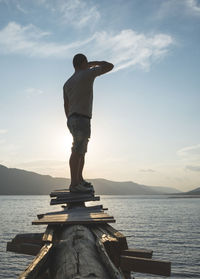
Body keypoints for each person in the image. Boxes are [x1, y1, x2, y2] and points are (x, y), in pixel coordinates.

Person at [63, 54, 114, 193]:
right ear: (84, 63)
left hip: (72, 118)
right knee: (77, 150)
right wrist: (93, 63)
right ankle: (74, 184)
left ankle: (79, 180)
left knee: (81, 151)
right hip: (82, 118)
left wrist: (69, 119)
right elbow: (110, 66)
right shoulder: (87, 74)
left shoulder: (67, 83)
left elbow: (66, 105)